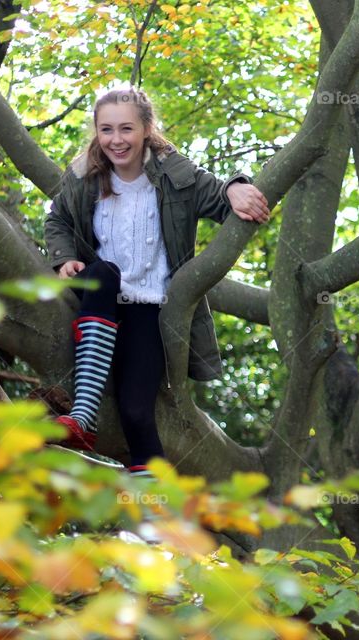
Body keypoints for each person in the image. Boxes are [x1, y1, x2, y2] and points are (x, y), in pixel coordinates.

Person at [43, 87, 269, 476]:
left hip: (149, 307)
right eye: (107, 129)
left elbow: (216, 194)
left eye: (127, 129)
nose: (116, 140)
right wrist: (64, 259)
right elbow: (58, 220)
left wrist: (235, 186)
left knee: (137, 411)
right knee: (104, 272)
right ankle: (82, 416)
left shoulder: (175, 174)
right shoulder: (82, 177)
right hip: (99, 295)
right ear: (97, 131)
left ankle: (156, 511)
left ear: (146, 128)